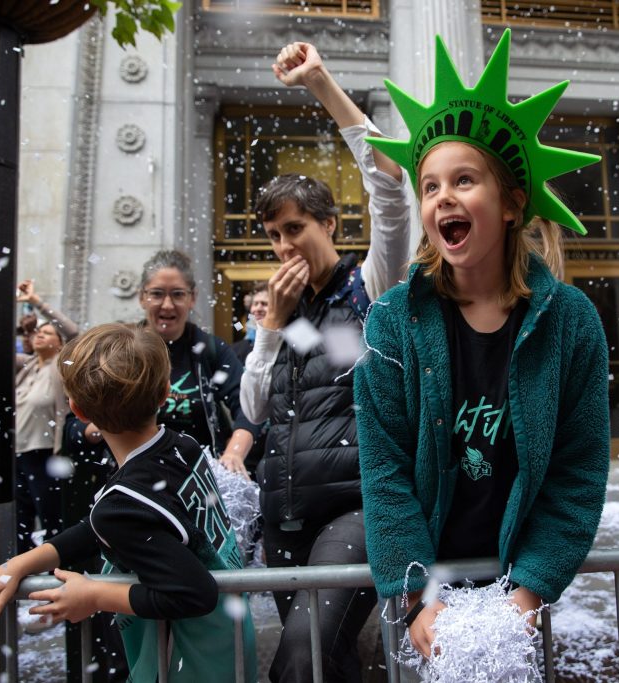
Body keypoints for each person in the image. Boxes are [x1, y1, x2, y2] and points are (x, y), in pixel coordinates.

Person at [354, 28, 610, 661]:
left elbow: (578, 473)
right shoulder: (392, 321)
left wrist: (526, 593)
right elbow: (384, 471)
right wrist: (419, 595)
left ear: (513, 204)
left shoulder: (572, 322)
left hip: (518, 587)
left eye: (464, 180)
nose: (444, 197)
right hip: (427, 594)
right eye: (431, 186)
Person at [0, 323, 257, 682]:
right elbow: (103, 528)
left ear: (78, 410)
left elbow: (194, 593)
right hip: (229, 644)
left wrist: (95, 595)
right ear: (165, 393)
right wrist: (18, 564)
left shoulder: (125, 503)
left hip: (185, 664)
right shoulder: (182, 447)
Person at [238, 41, 414, 682]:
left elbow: (390, 190)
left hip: (358, 507)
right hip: (285, 513)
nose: (284, 245)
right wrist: (271, 331)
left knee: (296, 660)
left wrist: (321, 85)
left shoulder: (371, 284)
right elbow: (254, 410)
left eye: (295, 229)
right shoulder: (283, 313)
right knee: (327, 663)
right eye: (273, 233)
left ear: (329, 225)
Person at [138, 250, 259, 478]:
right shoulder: (122, 350)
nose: (167, 305)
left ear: (192, 298)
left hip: (200, 480)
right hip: (138, 478)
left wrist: (234, 453)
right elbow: (78, 423)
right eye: (156, 294)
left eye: (177, 294)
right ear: (142, 297)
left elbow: (249, 407)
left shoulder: (212, 350)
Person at [14, 279, 80, 553]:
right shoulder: (27, 367)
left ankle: (57, 575)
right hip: (20, 454)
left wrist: (38, 302)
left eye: (48, 333)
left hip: (45, 454)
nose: (41, 335)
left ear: (59, 343)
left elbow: (74, 332)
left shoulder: (60, 365)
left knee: (52, 518)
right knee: (20, 522)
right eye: (38, 332)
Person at [231, 281, 268, 363]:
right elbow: (238, 328)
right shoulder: (247, 316)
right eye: (255, 303)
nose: (258, 308)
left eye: (264, 304)